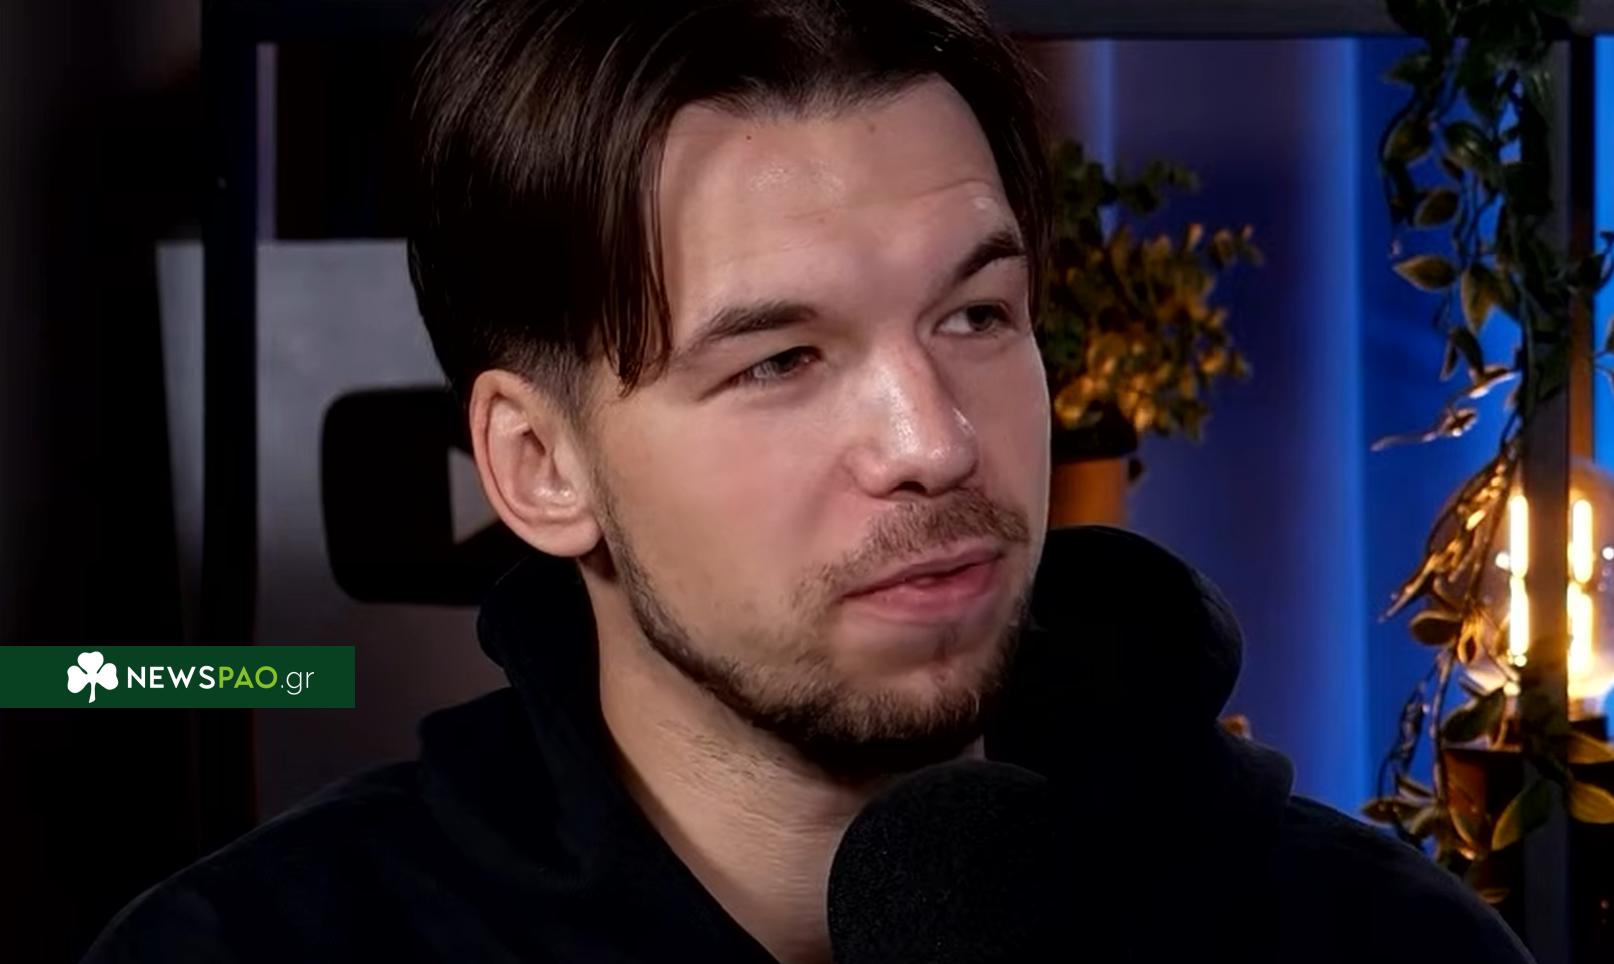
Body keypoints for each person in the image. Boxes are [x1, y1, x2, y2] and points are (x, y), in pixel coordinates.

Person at [85, 1, 1536, 961]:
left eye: (975, 316)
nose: (934, 441)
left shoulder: (1376, 941)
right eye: (779, 360)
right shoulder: (248, 950)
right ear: (537, 465)